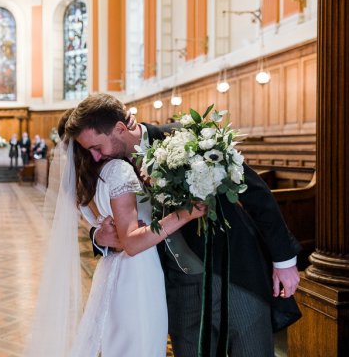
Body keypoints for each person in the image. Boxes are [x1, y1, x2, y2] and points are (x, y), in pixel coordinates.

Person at [64, 94, 301, 357]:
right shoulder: (108, 167)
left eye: (97, 147)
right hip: (176, 287)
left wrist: (284, 261)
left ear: (120, 129)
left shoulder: (187, 139)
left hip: (231, 273)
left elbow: (254, 190)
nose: (95, 157)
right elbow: (106, 218)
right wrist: (99, 237)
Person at [25, 109, 206, 357]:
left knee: (118, 343)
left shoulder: (84, 179)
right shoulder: (117, 169)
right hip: (139, 269)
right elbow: (131, 241)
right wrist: (185, 213)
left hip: (112, 270)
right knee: (141, 344)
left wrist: (99, 236)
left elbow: (104, 226)